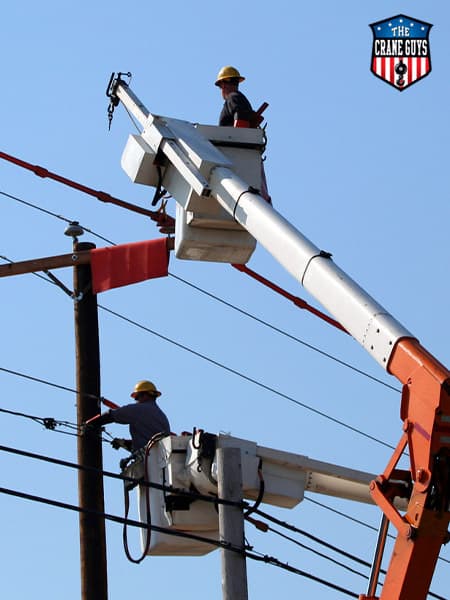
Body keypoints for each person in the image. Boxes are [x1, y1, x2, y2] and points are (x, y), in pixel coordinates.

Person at [86, 380, 170, 452]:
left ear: (144, 395)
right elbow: (147, 442)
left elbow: (112, 415)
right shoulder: (162, 417)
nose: (136, 401)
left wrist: (90, 423)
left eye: (137, 397)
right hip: (160, 462)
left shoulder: (139, 409)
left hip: (148, 461)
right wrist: (124, 443)